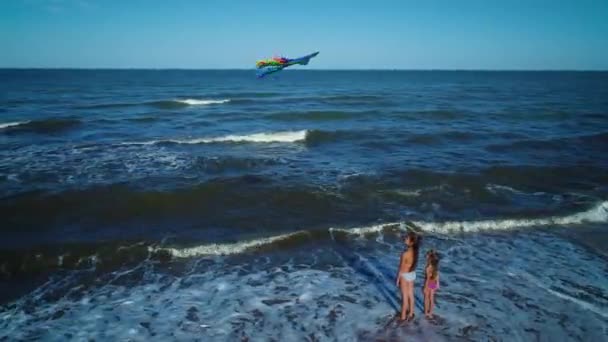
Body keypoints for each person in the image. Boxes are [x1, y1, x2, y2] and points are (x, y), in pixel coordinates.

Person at [395, 231, 420, 321]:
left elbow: (401, 268)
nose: (405, 238)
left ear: (411, 242)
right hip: (412, 274)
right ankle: (411, 313)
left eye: (407, 238)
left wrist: (398, 279)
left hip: (404, 275)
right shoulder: (415, 252)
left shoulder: (405, 254)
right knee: (411, 294)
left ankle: (403, 316)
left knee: (404, 297)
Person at [423, 250, 440, 319]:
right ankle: (430, 312)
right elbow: (437, 275)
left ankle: (426, 311)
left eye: (427, 256)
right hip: (433, 282)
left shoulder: (428, 267)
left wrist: (425, 287)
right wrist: (438, 283)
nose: (426, 257)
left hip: (428, 282)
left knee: (427, 297)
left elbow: (427, 278)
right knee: (431, 298)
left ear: (429, 258)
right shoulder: (434, 267)